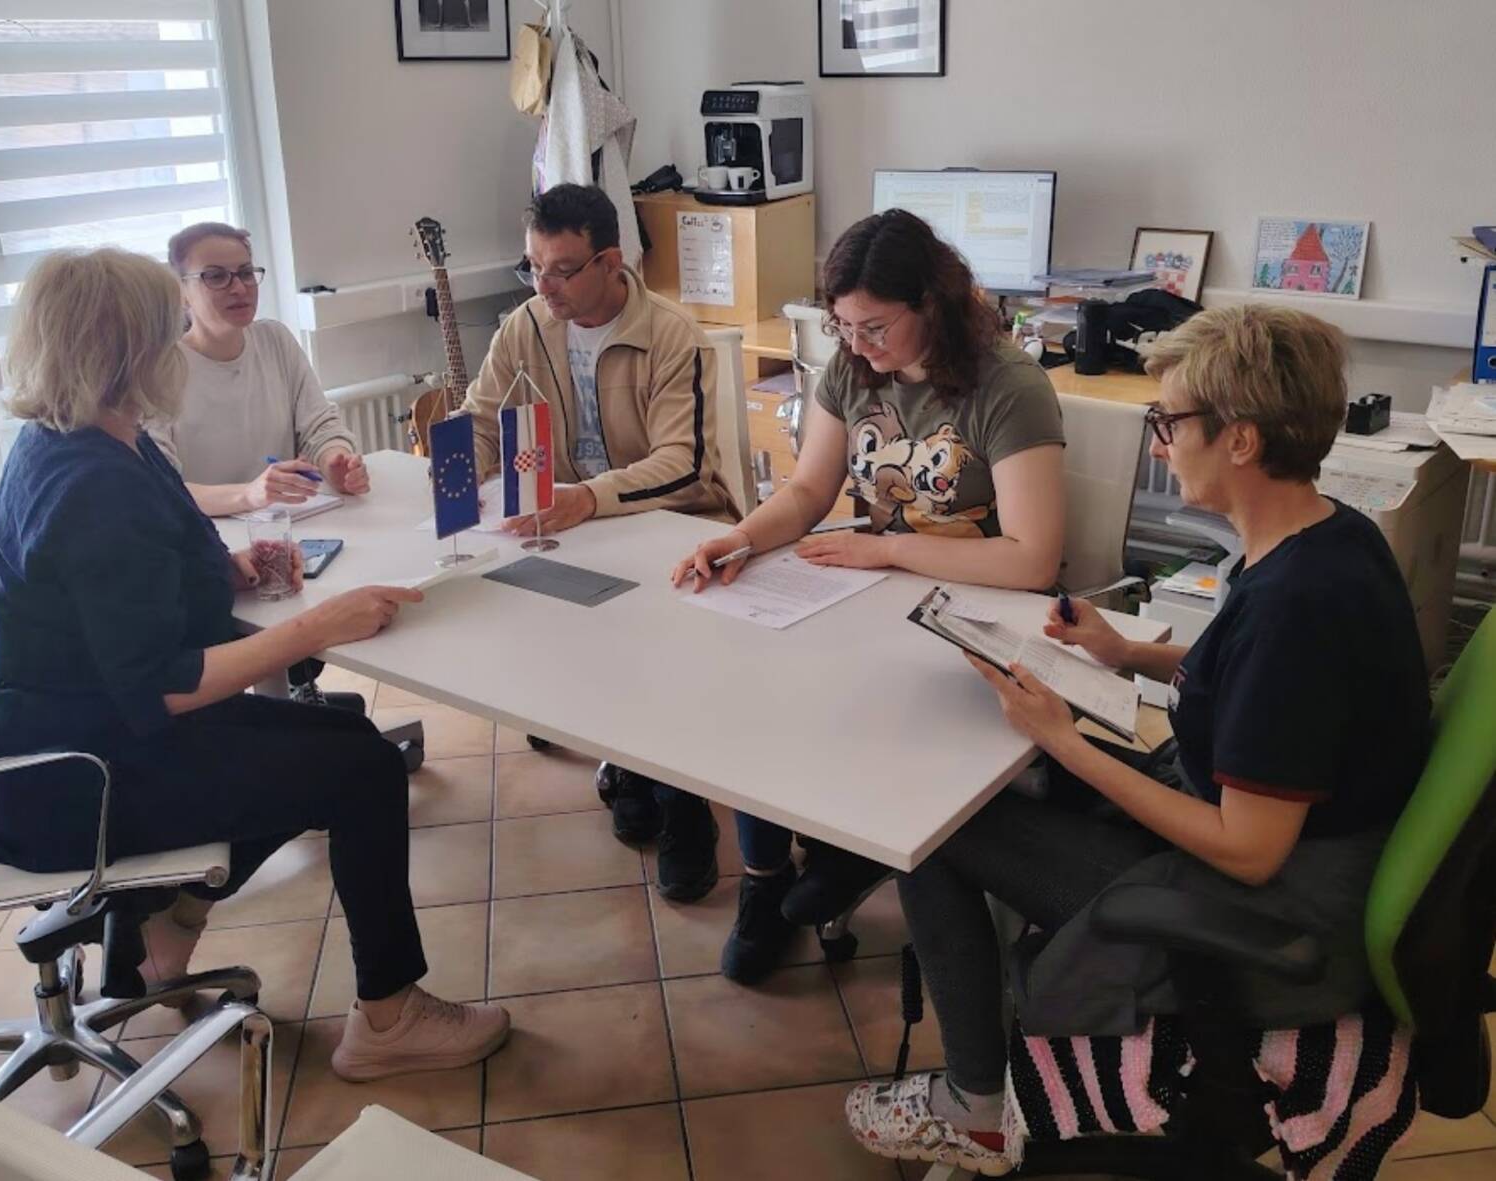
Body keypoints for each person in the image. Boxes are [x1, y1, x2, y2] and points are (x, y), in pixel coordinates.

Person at [842, 304, 1432, 1174]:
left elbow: (1249, 852)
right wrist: (1126, 653)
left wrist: (1066, 740)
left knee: (930, 831)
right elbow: (1253, 680)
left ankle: (977, 1107)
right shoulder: (1327, 535)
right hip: (1273, 841)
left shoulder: (1298, 610)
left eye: (1170, 421)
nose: (1160, 444)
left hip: (1264, 911)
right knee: (1014, 774)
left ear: (1240, 439)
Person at [0, 248, 510, 1083]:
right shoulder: (91, 487)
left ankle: (165, 927)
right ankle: (389, 1016)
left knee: (337, 738)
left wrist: (233, 570)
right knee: (362, 769)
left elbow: (135, 578)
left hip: (85, 739)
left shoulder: (95, 439)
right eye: (167, 332)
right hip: (81, 779)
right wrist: (318, 625)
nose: (180, 345)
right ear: (127, 352)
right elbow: (166, 684)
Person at [673, 209, 1067, 984]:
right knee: (755, 679)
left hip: (980, 613)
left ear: (931, 303)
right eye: (843, 327)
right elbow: (807, 491)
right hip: (881, 598)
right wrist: (740, 538)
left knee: (870, 702)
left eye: (875, 327)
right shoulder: (853, 368)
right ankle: (769, 875)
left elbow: (1032, 558)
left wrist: (885, 549)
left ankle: (853, 846)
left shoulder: (1008, 385)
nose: (857, 346)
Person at [461, 183, 740, 903]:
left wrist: (586, 498)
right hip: (573, 526)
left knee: (656, 639)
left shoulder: (673, 335)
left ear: (611, 262)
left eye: (561, 270)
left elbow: (682, 464)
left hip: (673, 525)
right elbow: (482, 421)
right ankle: (630, 762)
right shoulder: (525, 326)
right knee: (539, 618)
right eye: (532, 267)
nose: (542, 286)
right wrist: (448, 482)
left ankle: (684, 805)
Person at [148, 222, 368, 707]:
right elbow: (160, 490)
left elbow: (320, 423)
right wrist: (248, 494)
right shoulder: (160, 370)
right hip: (212, 552)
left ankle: (296, 693)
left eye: (246, 272)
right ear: (181, 291)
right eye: (216, 276)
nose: (239, 287)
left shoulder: (275, 341)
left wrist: (335, 460)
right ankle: (283, 708)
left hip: (292, 536)